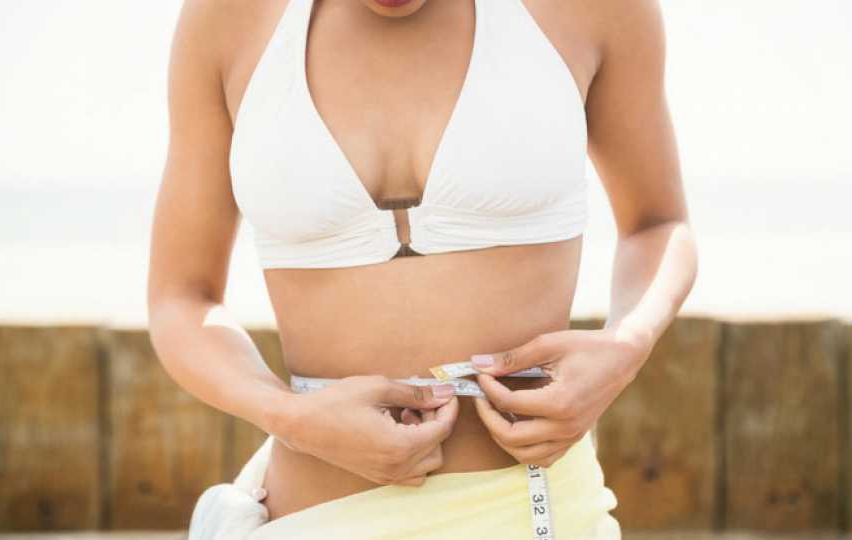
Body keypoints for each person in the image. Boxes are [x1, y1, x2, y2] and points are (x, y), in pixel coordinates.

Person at [147, 0, 697, 537]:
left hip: (538, 511)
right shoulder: (227, 17)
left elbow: (658, 224)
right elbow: (181, 300)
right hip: (316, 514)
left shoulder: (596, 9)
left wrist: (626, 346)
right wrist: (288, 416)